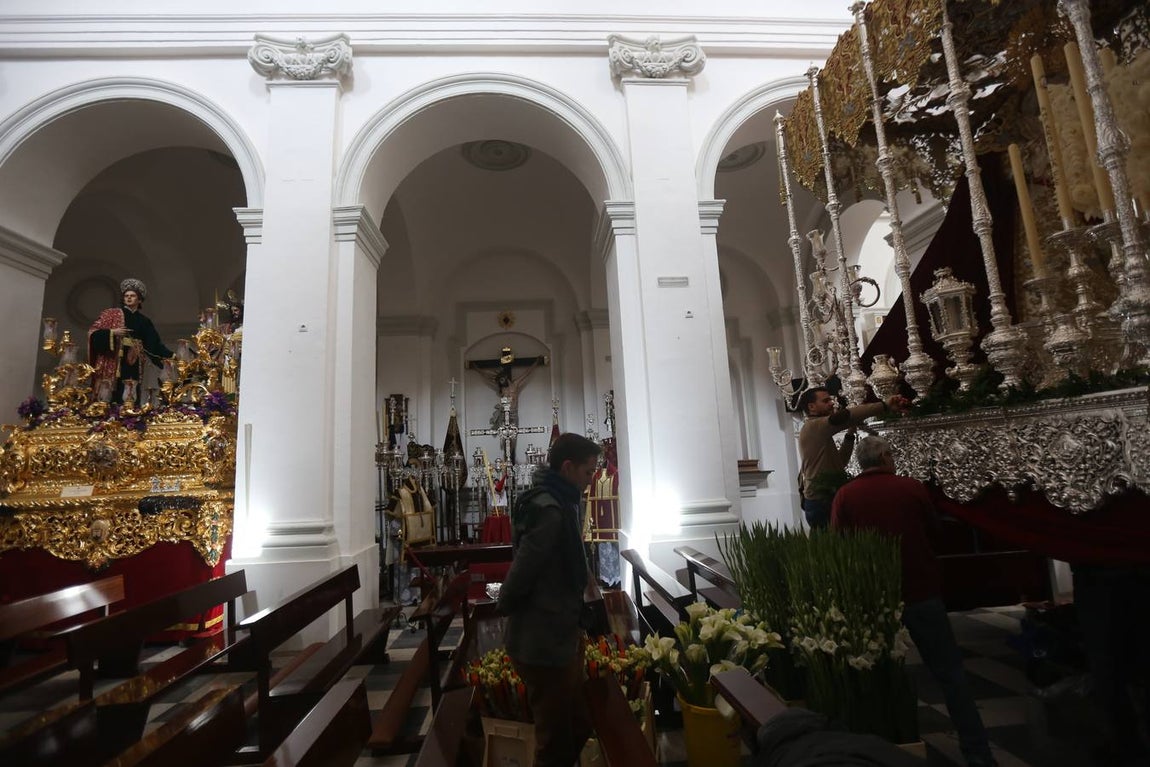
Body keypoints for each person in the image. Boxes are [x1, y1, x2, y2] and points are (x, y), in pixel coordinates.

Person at [832, 436, 996, 767]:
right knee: (950, 674)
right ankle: (978, 754)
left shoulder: (845, 495)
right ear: (887, 457)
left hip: (874, 597)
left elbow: (839, 546)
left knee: (879, 677)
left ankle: (880, 754)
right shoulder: (911, 488)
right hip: (921, 590)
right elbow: (934, 530)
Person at [497, 432, 601, 767]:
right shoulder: (552, 511)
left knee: (577, 723)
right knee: (554, 741)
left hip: (557, 634)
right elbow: (523, 570)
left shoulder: (560, 502)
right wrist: (506, 607)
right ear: (568, 468)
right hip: (543, 640)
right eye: (588, 472)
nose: (591, 481)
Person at [796, 387, 907, 528]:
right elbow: (846, 416)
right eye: (826, 401)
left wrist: (850, 433)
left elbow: (841, 462)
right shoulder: (814, 426)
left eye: (830, 399)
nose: (831, 403)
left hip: (825, 497)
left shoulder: (819, 430)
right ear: (811, 407)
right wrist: (884, 405)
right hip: (821, 501)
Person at [88, 278, 173, 405]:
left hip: (134, 360)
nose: (128, 298)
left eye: (132, 296)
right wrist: (112, 332)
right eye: (126, 296)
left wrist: (172, 356)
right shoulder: (112, 314)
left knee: (131, 387)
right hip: (114, 358)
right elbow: (93, 333)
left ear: (139, 300)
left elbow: (153, 344)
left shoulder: (144, 321)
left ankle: (130, 413)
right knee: (112, 390)